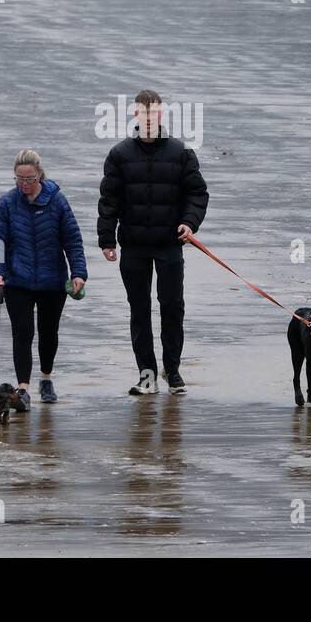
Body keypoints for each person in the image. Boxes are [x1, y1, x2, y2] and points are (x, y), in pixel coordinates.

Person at [98, 90, 208, 397]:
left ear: (161, 115)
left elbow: (198, 194)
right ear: (136, 115)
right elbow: (109, 200)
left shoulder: (181, 152)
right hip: (133, 246)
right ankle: (146, 374)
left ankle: (172, 371)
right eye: (143, 113)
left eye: (154, 113)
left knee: (172, 307)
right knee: (139, 310)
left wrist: (190, 222)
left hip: (169, 245)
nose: (149, 119)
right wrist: (106, 239)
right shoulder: (119, 154)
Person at [0, 149, 87, 408]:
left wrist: (78, 273)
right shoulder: (7, 203)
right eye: (19, 179)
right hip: (17, 280)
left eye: (29, 179)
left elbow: (73, 240)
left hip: (52, 281)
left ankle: (46, 377)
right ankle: (23, 389)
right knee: (22, 333)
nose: (24, 185)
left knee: (48, 332)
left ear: (40, 175)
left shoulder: (58, 202)